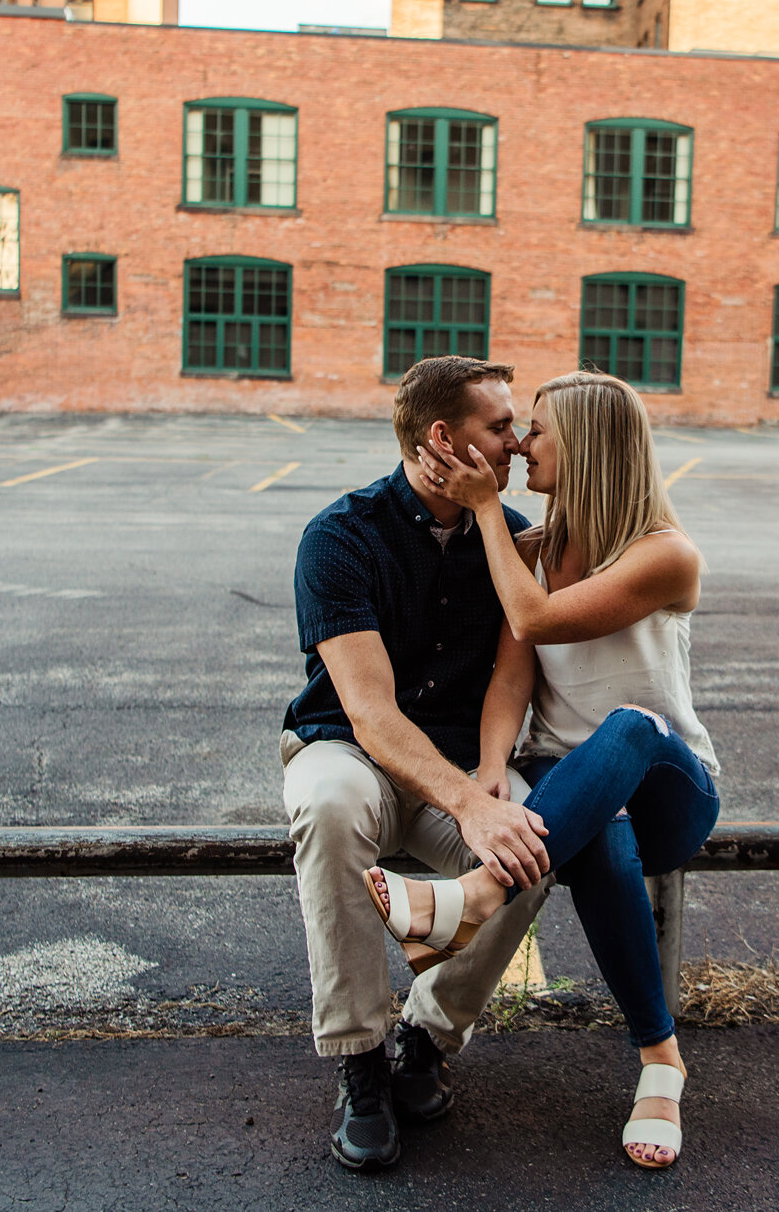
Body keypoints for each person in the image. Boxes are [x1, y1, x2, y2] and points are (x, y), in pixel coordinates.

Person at [367, 370, 721, 1170]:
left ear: (589, 447)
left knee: (631, 726)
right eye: (519, 430)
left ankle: (477, 894)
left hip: (670, 783)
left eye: (537, 430)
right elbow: (510, 676)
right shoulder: (532, 550)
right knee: (596, 838)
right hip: (575, 795)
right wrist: (492, 766)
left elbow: (532, 615)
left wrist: (488, 508)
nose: (521, 445)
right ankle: (661, 1063)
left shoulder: (666, 554)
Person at [281, 356, 556, 1171]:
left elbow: (516, 666)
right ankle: (360, 1059)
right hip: (348, 749)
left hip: (461, 763)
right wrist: (469, 803)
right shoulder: (340, 535)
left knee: (532, 841)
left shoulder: (507, 538)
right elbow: (369, 713)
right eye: (499, 426)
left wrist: (491, 782)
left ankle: (424, 1038)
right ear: (445, 437)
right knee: (328, 805)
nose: (516, 441)